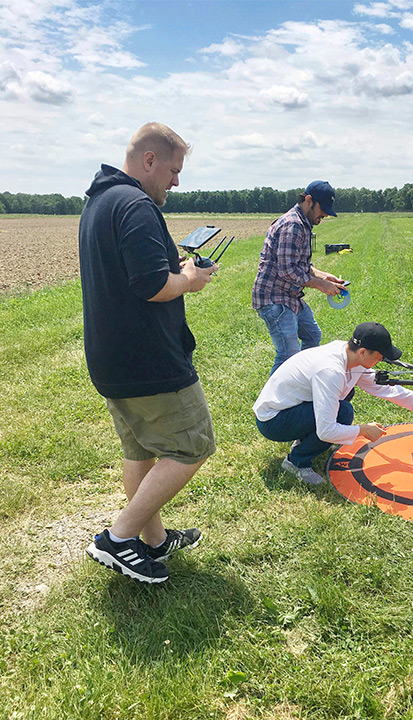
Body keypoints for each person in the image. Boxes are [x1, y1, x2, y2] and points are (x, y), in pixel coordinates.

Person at [79, 122, 217, 584]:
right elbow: (153, 286)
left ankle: (153, 541)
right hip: (148, 360)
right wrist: (191, 280)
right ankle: (119, 538)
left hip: (110, 357)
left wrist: (173, 270)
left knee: (139, 451)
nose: (176, 182)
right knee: (192, 443)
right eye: (173, 171)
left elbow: (133, 275)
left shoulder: (100, 202)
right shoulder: (136, 205)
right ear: (149, 161)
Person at [253, 321, 413, 485]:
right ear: (363, 351)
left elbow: (379, 386)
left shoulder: (348, 354)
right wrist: (363, 430)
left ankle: (305, 441)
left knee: (345, 398)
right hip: (273, 421)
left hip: (291, 408)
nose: (380, 361)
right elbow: (327, 431)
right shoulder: (331, 371)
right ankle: (296, 462)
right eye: (379, 356)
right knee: (343, 412)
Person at [252, 180, 346, 375]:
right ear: (308, 200)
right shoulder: (292, 224)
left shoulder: (303, 223)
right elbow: (288, 270)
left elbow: (301, 265)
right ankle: (271, 404)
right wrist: (321, 285)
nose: (325, 215)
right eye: (323, 209)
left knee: (312, 336)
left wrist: (324, 276)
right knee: (288, 355)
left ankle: (300, 383)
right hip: (274, 298)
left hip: (289, 296)